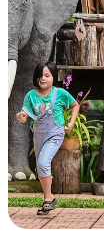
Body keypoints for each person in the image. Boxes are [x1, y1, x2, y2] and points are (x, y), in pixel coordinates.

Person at [14, 62, 79, 215]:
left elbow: (75, 105)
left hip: (55, 134)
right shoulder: (31, 96)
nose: (43, 78)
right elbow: (24, 115)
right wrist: (20, 116)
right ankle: (48, 199)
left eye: (47, 75)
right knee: (41, 166)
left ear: (53, 77)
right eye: (40, 76)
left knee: (43, 162)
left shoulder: (60, 93)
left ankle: (48, 198)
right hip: (38, 135)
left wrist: (70, 124)